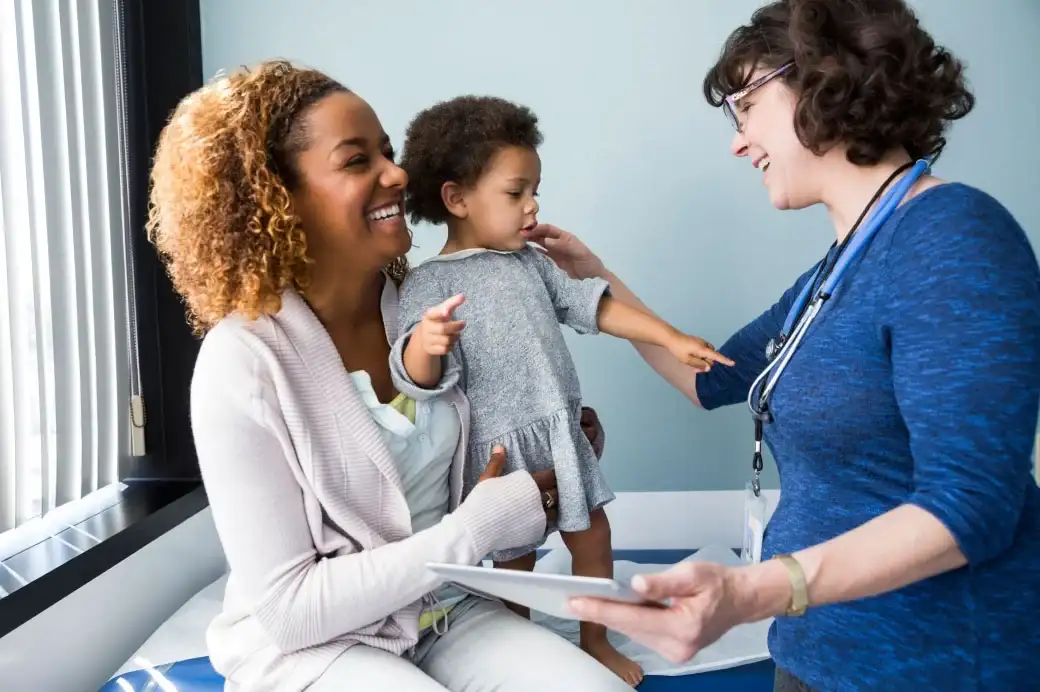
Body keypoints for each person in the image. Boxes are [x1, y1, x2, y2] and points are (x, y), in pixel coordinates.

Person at [526, 1, 1040, 690]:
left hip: (929, 664)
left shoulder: (952, 236)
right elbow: (706, 379)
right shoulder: (829, 277)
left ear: (824, 77)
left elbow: (972, 506)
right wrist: (596, 278)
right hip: (811, 652)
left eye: (746, 105)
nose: (738, 141)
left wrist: (754, 590)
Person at [145, 59, 635, 692]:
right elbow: (293, 609)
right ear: (277, 198)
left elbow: (484, 453)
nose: (398, 174)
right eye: (356, 161)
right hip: (315, 645)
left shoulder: (425, 310)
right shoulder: (241, 362)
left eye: (386, 151)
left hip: (442, 610)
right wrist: (476, 528)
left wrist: (553, 452)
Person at [389, 95, 733, 686]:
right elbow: (412, 378)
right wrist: (426, 344)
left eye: (535, 190)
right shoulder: (428, 284)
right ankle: (514, 651)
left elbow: (595, 306)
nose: (534, 205)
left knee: (593, 537)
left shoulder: (533, 264)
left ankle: (596, 641)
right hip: (500, 456)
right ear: (457, 198)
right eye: (516, 192)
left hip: (558, 431)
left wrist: (670, 337)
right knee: (513, 566)